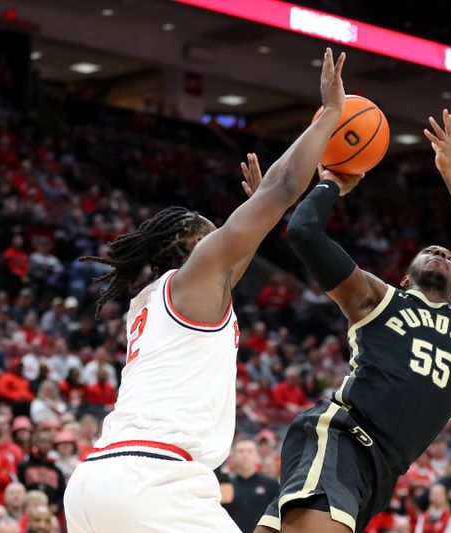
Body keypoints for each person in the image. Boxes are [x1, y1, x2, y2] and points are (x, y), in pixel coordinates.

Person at [63, 47, 349, 533]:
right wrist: (331, 115)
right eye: (213, 233)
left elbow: (246, 242)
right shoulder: (195, 277)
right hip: (152, 483)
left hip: (94, 485)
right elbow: (281, 188)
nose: (223, 237)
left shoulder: (158, 300)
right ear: (190, 247)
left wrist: (259, 212)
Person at [257, 109, 451, 533]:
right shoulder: (378, 298)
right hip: (342, 438)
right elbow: (304, 233)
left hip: (381, 472)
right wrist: (332, 182)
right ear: (405, 278)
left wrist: (450, 173)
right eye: (431, 251)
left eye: (449, 255)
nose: (442, 253)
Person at [222, 438, 279, 533]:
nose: (245, 455)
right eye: (241, 451)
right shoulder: (225, 485)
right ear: (234, 456)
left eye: (250, 451)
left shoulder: (271, 484)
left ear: (257, 456)